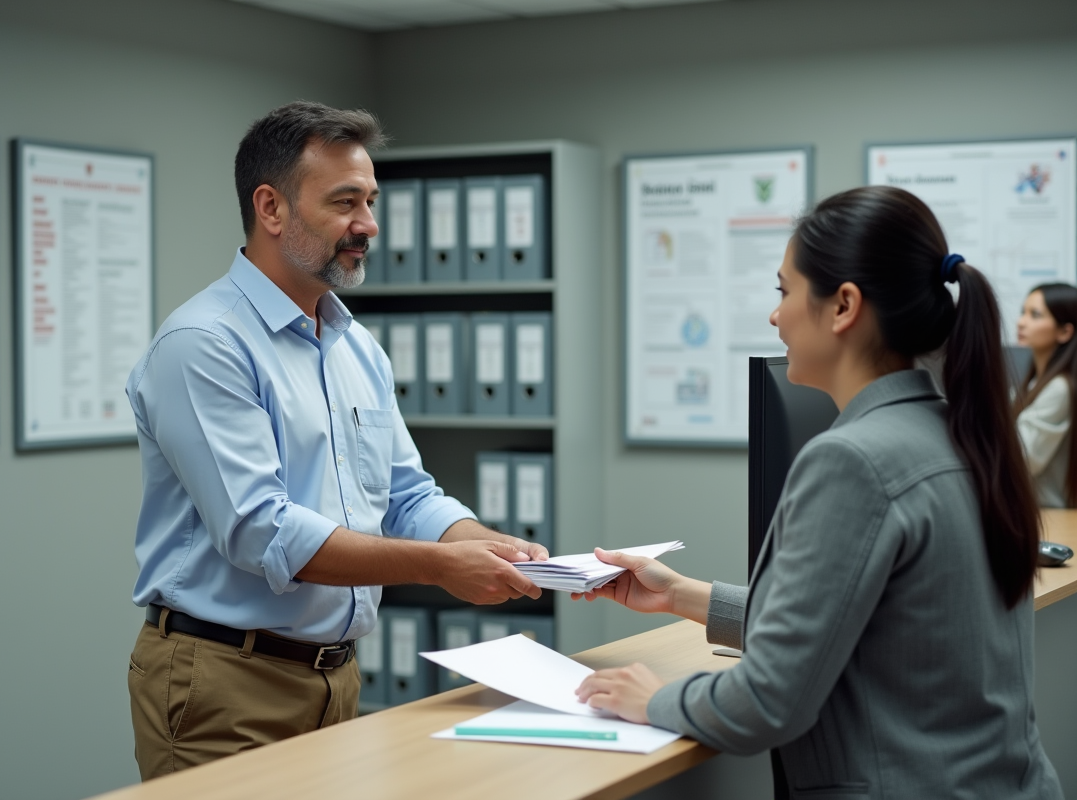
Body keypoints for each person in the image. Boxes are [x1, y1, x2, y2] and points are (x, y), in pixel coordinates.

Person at [573, 186, 1062, 799]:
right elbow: (872, 626)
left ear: (843, 306)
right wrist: (682, 595)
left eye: (784, 291)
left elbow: (768, 702)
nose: (774, 316)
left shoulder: (852, 460)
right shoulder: (963, 434)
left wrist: (654, 698)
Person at [124, 101, 545, 779]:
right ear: (271, 208)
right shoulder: (204, 344)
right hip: (226, 679)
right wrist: (439, 567)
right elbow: (262, 530)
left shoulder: (356, 347)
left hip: (336, 679)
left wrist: (484, 544)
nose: (369, 225)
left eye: (370, 201)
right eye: (345, 202)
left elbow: (407, 495)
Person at [1014, 283, 1077, 507]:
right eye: (1023, 312)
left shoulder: (1059, 389)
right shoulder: (1031, 384)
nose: (1021, 322)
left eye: (1035, 315)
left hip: (1052, 514)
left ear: (1064, 332)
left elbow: (1021, 459)